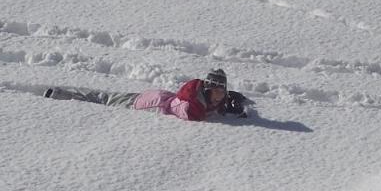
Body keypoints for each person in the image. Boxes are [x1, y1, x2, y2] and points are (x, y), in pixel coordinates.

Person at [44, 69, 239, 121]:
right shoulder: (191, 106)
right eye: (216, 91)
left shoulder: (203, 98)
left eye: (222, 92)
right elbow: (194, 114)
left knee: (105, 97)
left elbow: (214, 105)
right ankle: (59, 94)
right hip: (144, 103)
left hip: (159, 96)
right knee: (103, 99)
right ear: (207, 90)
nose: (219, 96)